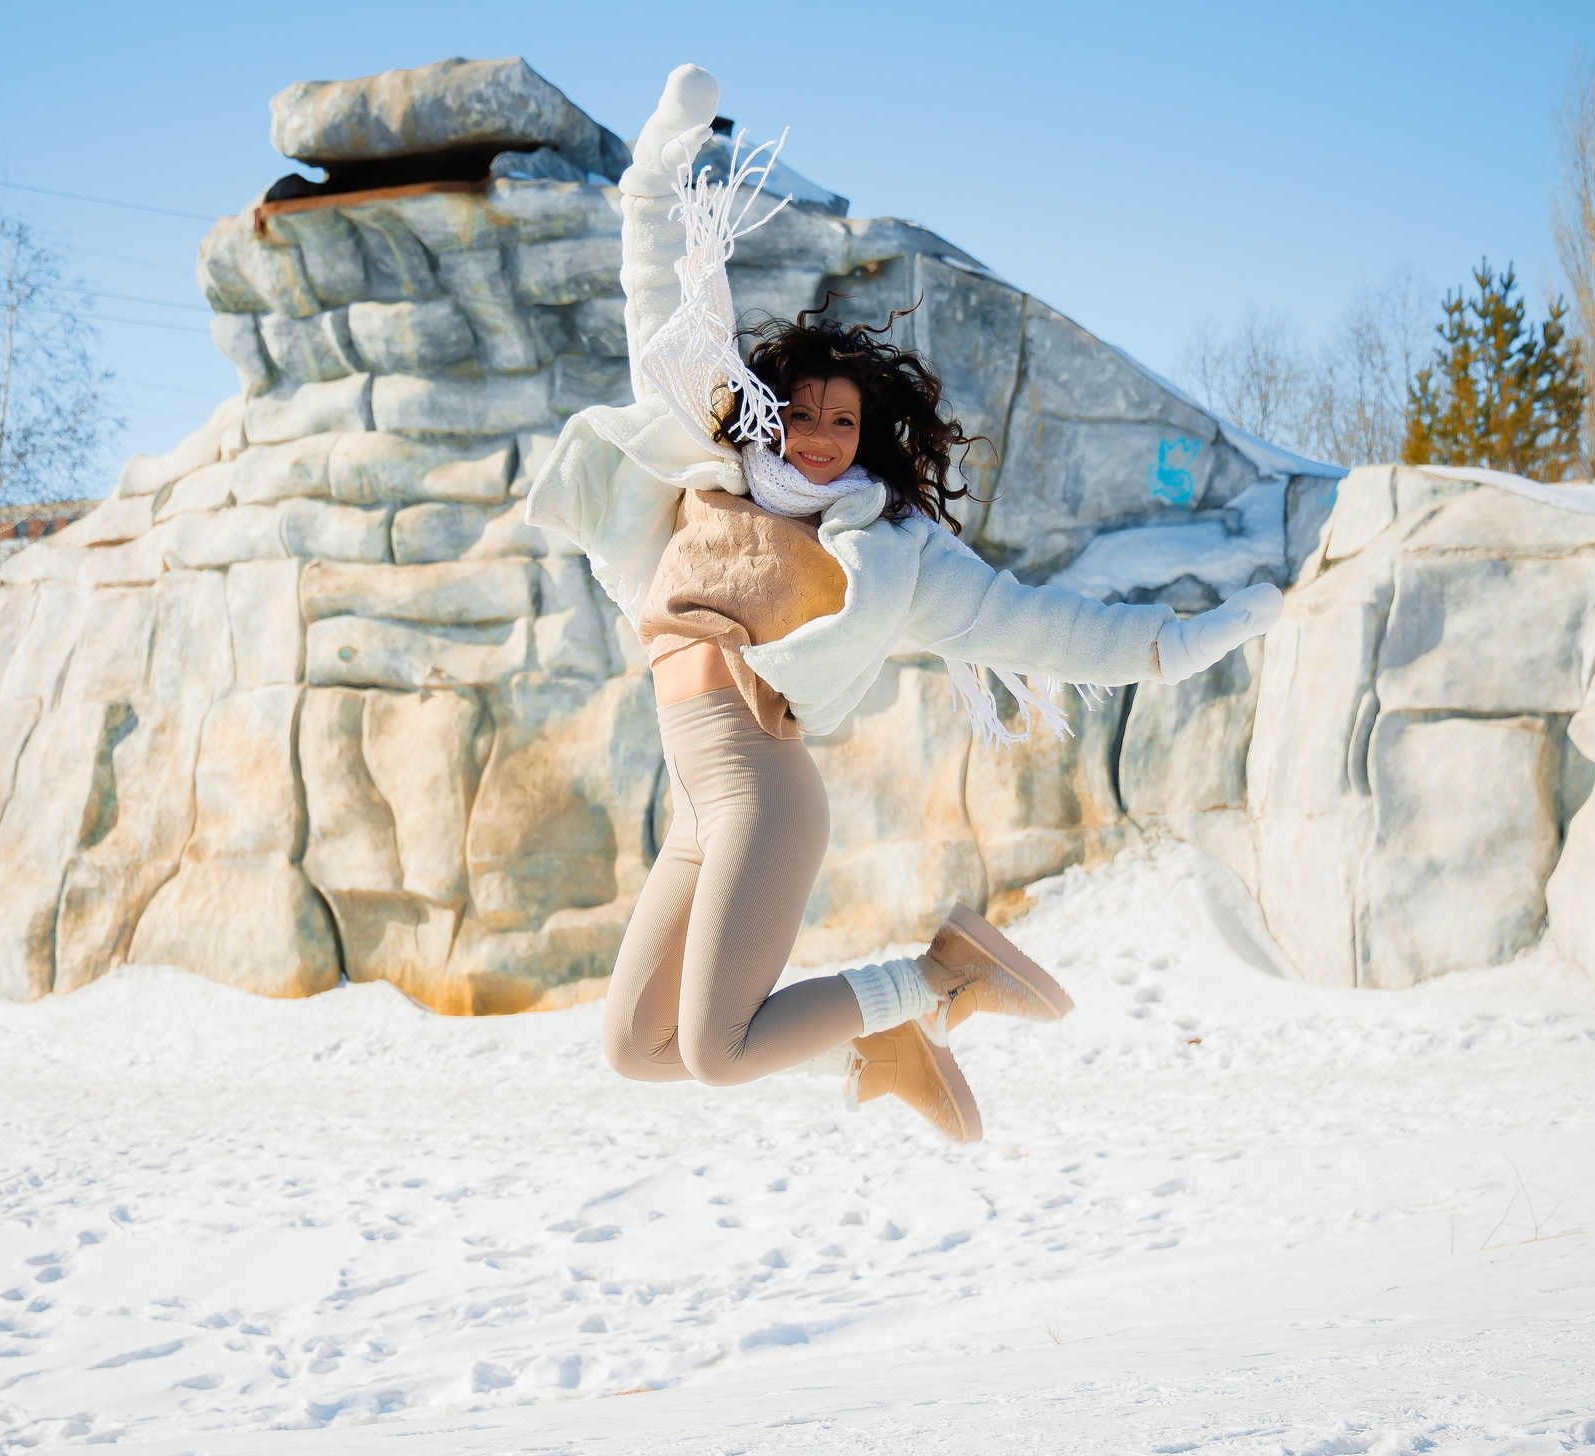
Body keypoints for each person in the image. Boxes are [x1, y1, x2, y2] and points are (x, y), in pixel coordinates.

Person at [526, 64, 1281, 1142]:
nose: (824, 437)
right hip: (694, 806)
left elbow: (1041, 627)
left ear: (869, 437)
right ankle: (887, 1034)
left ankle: (938, 974)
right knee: (635, 1049)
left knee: (715, 1049)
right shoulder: (706, 463)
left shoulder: (885, 549)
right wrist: (657, 162)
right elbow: (657, 302)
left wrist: (1178, 644)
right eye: (804, 414)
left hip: (758, 791)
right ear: (767, 413)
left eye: (846, 423)